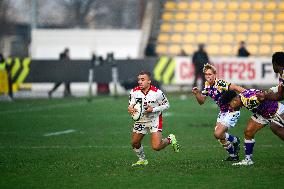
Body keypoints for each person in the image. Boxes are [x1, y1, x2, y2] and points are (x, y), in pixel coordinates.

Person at [192, 63, 245, 161]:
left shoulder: (220, 84)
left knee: (217, 134)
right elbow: (201, 101)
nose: (208, 76)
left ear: (215, 75)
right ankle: (233, 156)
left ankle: (235, 140)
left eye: (210, 74)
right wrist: (197, 94)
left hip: (232, 111)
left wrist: (249, 94)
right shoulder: (207, 85)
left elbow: (236, 88)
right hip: (223, 112)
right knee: (220, 137)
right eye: (206, 74)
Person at [220, 89, 284, 166]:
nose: (230, 107)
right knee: (248, 132)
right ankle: (248, 160)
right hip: (263, 114)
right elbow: (262, 93)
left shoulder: (249, 100)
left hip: (276, 112)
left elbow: (260, 97)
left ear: (235, 100)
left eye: (229, 104)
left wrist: (262, 96)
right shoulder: (242, 96)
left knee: (277, 130)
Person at [128, 71, 179, 166]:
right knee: (134, 143)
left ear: (149, 81)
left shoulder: (157, 92)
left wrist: (153, 109)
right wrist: (130, 108)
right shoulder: (134, 92)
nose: (140, 82)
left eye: (143, 79)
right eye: (139, 79)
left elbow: (167, 105)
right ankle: (142, 160)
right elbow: (131, 104)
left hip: (154, 119)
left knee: (156, 147)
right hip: (141, 120)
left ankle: (170, 139)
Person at [256, 51, 284, 139]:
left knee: (275, 125)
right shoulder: (282, 74)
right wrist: (266, 93)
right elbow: (280, 91)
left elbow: (280, 96)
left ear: (275, 64)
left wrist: (264, 96)